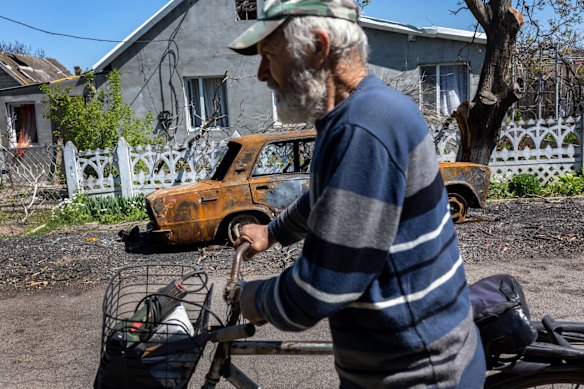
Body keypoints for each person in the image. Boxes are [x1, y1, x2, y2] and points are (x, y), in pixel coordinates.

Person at [228, 0, 486, 387]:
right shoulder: (362, 111)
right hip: (415, 359)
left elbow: (323, 286)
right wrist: (273, 232)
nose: (263, 73)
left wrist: (254, 299)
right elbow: (329, 198)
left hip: (419, 375)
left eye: (269, 55)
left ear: (318, 47)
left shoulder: (364, 129)